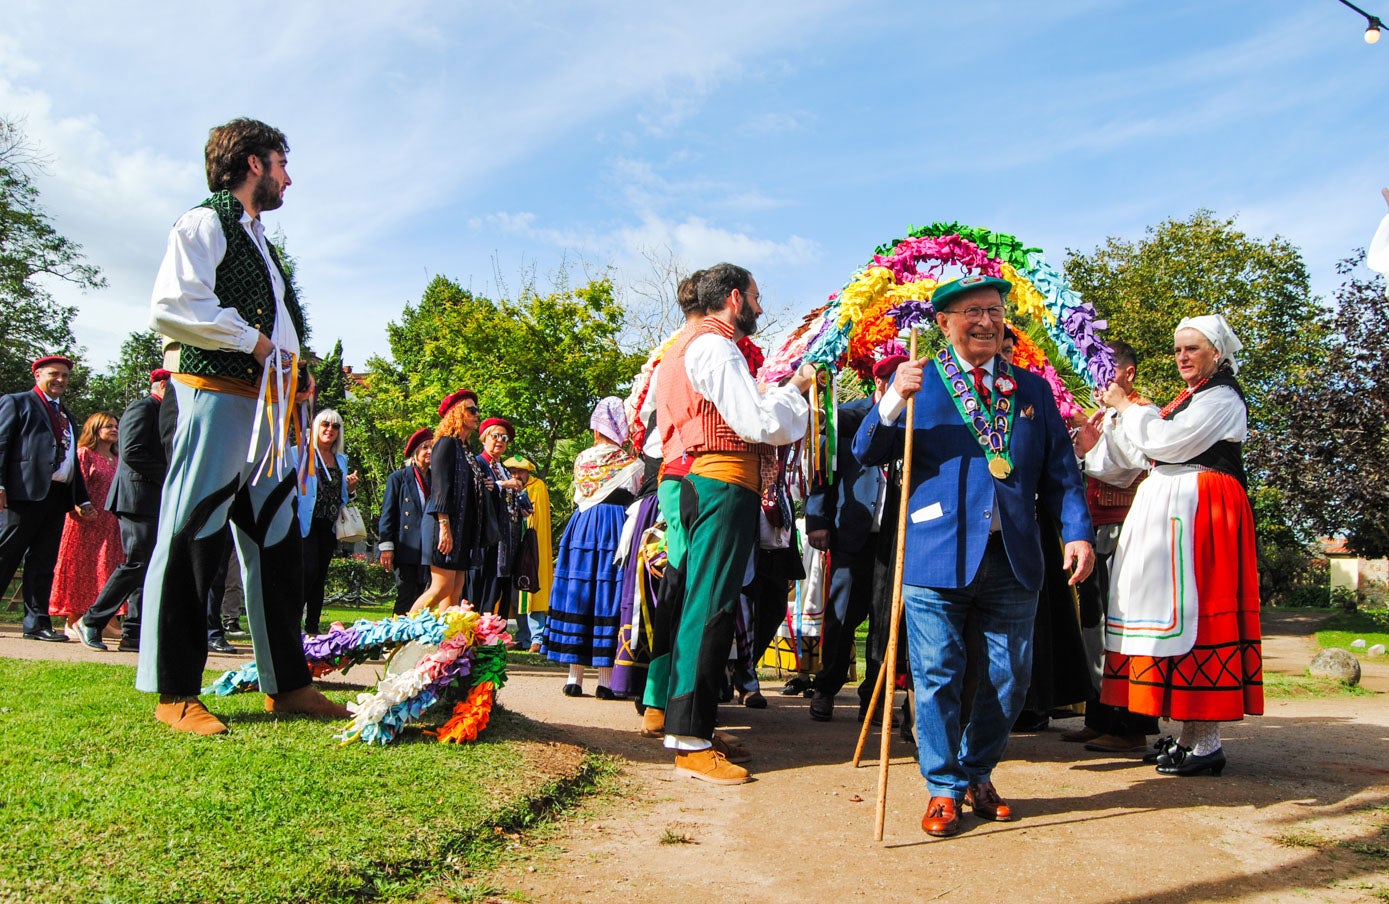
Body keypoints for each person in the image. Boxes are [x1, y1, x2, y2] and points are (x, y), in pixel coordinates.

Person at [853, 274, 1094, 836]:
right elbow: (866, 451)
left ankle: (976, 772)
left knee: (1010, 677)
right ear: (944, 323)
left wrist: (1076, 531)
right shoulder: (916, 381)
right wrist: (891, 400)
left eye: (994, 310)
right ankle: (942, 787)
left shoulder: (1031, 391)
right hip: (935, 553)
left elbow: (1061, 471)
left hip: (1013, 555)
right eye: (971, 312)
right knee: (936, 674)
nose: (986, 321)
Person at [139, 117, 349, 735]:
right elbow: (174, 305)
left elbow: (277, 328)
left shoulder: (261, 243)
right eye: (282, 163)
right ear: (254, 163)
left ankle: (286, 684)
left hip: (269, 413)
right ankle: (174, 690)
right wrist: (255, 342)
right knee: (193, 535)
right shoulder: (204, 222)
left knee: (278, 543)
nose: (289, 177)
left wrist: (294, 371)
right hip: (213, 399)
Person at [1079, 315, 1262, 777]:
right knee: (1170, 620)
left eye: (1192, 349)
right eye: (1179, 349)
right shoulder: (1191, 398)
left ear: (1217, 354)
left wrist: (1129, 408)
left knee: (1196, 616)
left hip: (1202, 510)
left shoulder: (1221, 396)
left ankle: (1208, 742)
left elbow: (1169, 442)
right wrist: (1103, 429)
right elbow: (1133, 458)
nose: (1182, 356)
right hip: (1173, 509)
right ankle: (1190, 737)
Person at [655, 263, 814, 785]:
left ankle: (689, 728)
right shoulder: (715, 346)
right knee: (712, 608)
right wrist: (797, 390)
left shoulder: (681, 346)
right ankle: (692, 740)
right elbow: (759, 423)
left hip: (706, 482)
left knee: (701, 606)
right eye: (755, 296)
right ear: (732, 297)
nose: (761, 307)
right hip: (721, 483)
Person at [1064, 340, 1161, 751]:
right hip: (1099, 528)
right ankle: (1100, 714)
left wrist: (1085, 454)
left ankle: (1132, 726)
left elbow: (1128, 470)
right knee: (1095, 625)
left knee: (1124, 623)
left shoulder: (1145, 413)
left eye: (1106, 372)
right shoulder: (1106, 416)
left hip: (1128, 527)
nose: (1098, 382)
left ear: (1129, 373)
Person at [805, 354, 906, 722]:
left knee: (886, 619)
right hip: (851, 531)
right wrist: (818, 518)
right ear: (880, 384)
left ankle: (874, 699)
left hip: (895, 538)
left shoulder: (916, 419)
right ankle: (826, 687)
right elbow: (823, 470)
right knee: (842, 614)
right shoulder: (846, 416)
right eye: (896, 381)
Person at [545, 398, 643, 697]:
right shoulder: (632, 463)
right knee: (607, 593)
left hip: (583, 526)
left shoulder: (582, 459)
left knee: (580, 591)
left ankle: (573, 678)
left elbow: (579, 495)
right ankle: (605, 681)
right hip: (614, 527)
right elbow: (637, 495)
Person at [0, 354, 95, 642]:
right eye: (54, 374)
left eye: (65, 376)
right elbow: (2, 444)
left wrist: (82, 497)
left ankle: (37, 623)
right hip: (23, 494)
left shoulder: (66, 415)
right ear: (38, 375)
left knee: (43, 562)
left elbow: (71, 461)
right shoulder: (17, 402)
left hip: (56, 496)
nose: (60, 380)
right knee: (6, 554)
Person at [82, 369, 172, 652]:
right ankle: (92, 620)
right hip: (135, 498)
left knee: (147, 567)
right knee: (136, 562)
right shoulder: (142, 407)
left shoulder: (169, 414)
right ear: (161, 385)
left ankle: (133, 633)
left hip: (154, 500)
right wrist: (171, 474)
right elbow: (131, 451)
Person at [49, 412, 125, 639]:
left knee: (107, 569)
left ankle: (105, 618)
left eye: (115, 426)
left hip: (110, 525)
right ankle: (74, 619)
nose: (113, 429)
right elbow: (74, 485)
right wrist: (79, 507)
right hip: (85, 524)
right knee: (81, 569)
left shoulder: (117, 458)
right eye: (108, 426)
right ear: (95, 429)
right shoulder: (84, 454)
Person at [411, 390, 487, 613]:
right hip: (443, 524)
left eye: (477, 410)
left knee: (454, 590)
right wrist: (445, 527)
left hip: (462, 529)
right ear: (456, 413)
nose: (477, 414)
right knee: (441, 587)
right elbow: (440, 488)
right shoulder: (445, 444)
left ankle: (445, 643)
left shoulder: (466, 449)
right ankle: (399, 634)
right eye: (471, 410)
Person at [298, 408, 358, 635]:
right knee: (308, 572)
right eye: (325, 424)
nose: (329, 430)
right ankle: (294, 622)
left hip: (329, 526)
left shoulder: (341, 460)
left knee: (320, 576)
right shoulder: (302, 454)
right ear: (315, 428)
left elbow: (343, 497)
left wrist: (351, 489)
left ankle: (312, 626)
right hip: (307, 523)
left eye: (335, 426)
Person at [474, 417, 530, 618]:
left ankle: (499, 633)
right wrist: (503, 485)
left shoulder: (504, 468)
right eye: (495, 435)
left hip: (510, 535)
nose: (500, 440)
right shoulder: (479, 463)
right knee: (489, 585)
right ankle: (483, 630)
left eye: (504, 438)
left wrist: (522, 505)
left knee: (505, 585)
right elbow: (477, 491)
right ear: (484, 438)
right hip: (491, 537)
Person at [378, 428, 434, 616]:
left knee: (421, 593)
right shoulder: (399, 478)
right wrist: (386, 547)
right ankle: (393, 639)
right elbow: (388, 513)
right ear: (415, 452)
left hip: (427, 548)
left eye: (433, 448)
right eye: (425, 447)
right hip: (405, 546)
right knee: (405, 593)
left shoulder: (435, 479)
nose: (429, 452)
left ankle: (411, 639)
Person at [503, 455, 551, 651]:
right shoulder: (507, 488)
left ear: (527, 472)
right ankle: (522, 637)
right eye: (513, 471)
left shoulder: (537, 487)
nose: (516, 475)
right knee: (516, 593)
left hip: (531, 547)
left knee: (532, 590)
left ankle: (536, 637)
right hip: (513, 545)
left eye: (520, 471)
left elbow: (536, 518)